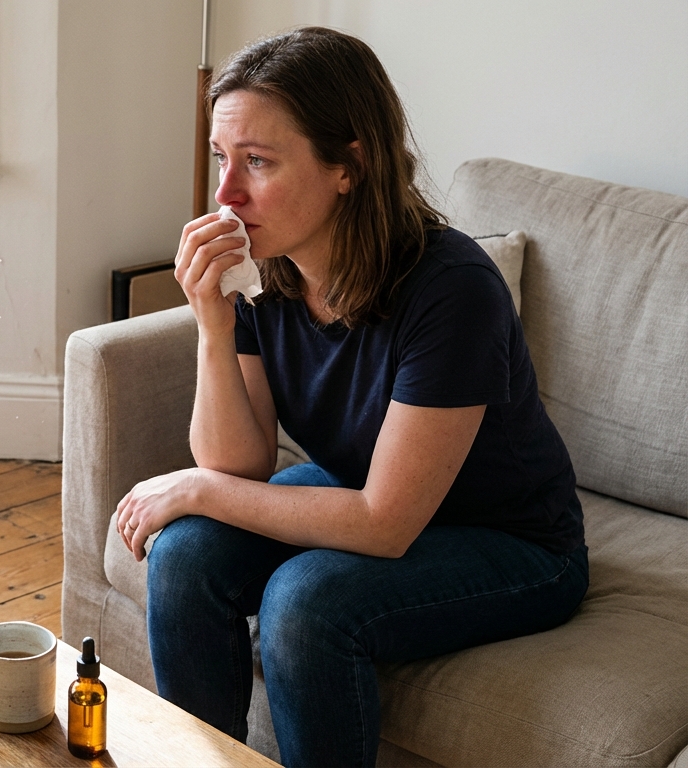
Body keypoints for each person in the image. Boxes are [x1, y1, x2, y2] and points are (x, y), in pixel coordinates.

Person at [113, 27, 588, 768]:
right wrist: (211, 322)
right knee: (185, 554)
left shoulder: (452, 289)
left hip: (513, 541)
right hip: (359, 488)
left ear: (349, 165)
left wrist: (196, 488)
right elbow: (238, 463)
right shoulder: (266, 274)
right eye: (222, 161)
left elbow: (384, 524)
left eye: (259, 162)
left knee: (305, 604)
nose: (226, 194)